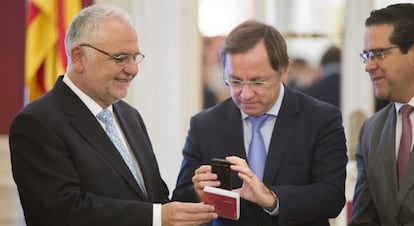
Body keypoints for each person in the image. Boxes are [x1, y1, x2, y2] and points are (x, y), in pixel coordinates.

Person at [9, 4, 217, 226]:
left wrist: (194, 195)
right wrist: (157, 217)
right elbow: (60, 213)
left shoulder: (129, 116)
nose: (132, 69)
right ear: (79, 57)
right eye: (120, 58)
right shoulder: (37, 123)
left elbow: (156, 201)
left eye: (135, 57)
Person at [172, 20, 348, 226]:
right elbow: (180, 198)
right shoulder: (205, 125)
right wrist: (197, 192)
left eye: (258, 81)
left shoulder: (320, 119)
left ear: (284, 71)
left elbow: (331, 197)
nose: (246, 94)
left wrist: (272, 198)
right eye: (235, 81)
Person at [349, 3, 414, 225]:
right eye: (366, 55)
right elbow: (364, 218)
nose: (368, 66)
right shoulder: (371, 131)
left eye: (379, 54)